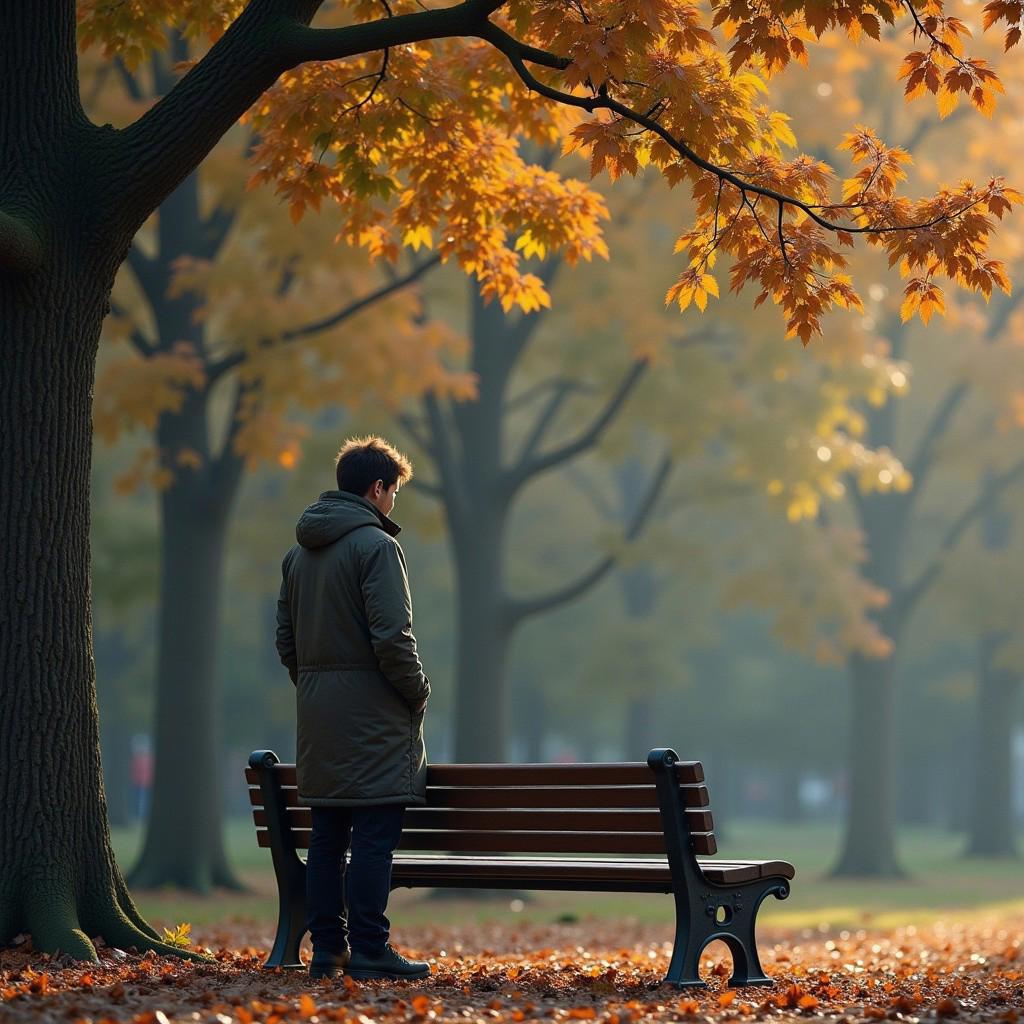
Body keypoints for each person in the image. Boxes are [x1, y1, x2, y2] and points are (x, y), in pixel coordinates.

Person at [276, 436, 432, 981]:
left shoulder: (299, 553)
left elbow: (286, 642)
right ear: (377, 488)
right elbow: (393, 636)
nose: (393, 503)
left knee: (326, 836)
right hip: (374, 718)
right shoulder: (376, 547)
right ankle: (369, 947)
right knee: (372, 836)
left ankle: (327, 949)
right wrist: (416, 691)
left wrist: (317, 688)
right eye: (393, 492)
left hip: (319, 715)